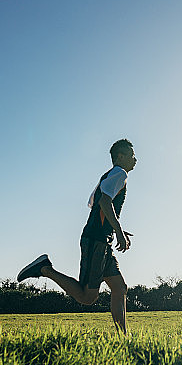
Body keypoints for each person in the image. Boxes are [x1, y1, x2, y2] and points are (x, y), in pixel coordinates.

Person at [17, 138, 137, 333]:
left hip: (101, 240)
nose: (135, 159)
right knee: (87, 297)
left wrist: (117, 229)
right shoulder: (120, 174)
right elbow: (104, 203)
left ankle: (123, 336)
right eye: (131, 155)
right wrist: (118, 231)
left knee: (119, 288)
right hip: (96, 240)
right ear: (120, 156)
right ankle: (45, 269)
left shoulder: (109, 176)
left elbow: (94, 202)